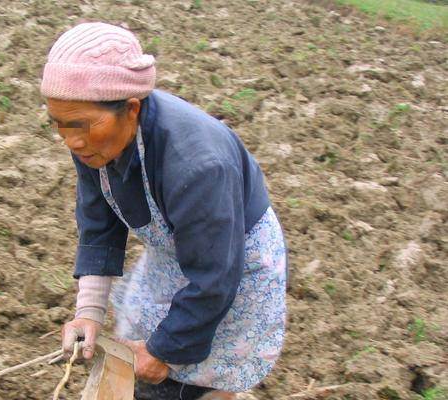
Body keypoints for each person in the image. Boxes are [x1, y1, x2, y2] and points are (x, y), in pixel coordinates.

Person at [40, 21, 288, 400]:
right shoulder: (92, 143)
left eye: (80, 126)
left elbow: (214, 276)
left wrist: (165, 352)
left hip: (231, 259)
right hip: (177, 252)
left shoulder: (197, 165)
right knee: (146, 355)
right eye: (59, 125)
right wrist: (88, 312)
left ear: (131, 109)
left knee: (200, 379)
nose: (71, 140)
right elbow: (99, 226)